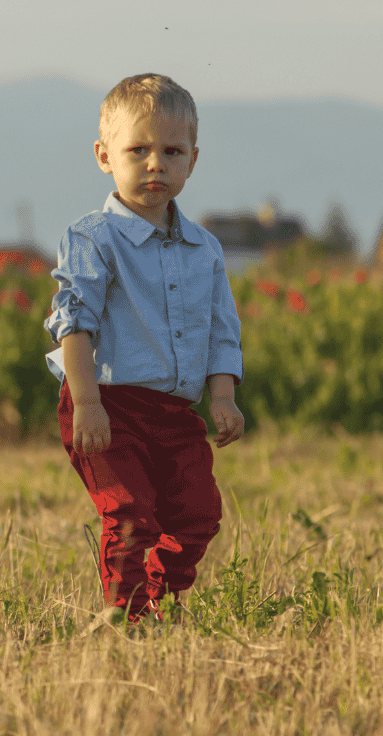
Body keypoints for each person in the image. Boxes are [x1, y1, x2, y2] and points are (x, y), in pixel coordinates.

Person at [44, 73, 245, 623]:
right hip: (107, 402)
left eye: (171, 151)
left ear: (193, 161)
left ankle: (161, 598)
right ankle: (123, 612)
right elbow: (74, 325)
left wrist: (222, 398)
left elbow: (220, 328)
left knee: (198, 516)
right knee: (130, 514)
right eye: (139, 150)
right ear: (104, 156)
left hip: (174, 410)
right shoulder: (92, 239)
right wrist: (86, 404)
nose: (156, 163)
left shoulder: (205, 248)